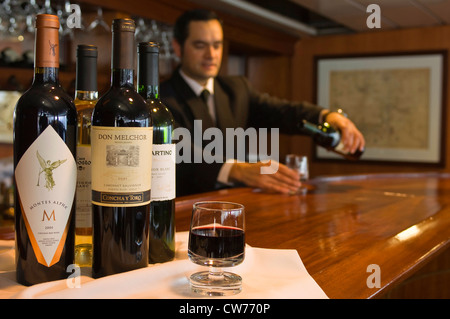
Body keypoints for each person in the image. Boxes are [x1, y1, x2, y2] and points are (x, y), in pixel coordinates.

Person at [160, 9, 365, 197]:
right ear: (178, 48)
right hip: (184, 212)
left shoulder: (236, 89)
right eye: (200, 45)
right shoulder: (160, 99)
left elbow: (282, 112)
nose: (211, 55)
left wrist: (326, 116)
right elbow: (177, 149)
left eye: (217, 45)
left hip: (236, 208)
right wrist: (238, 170)